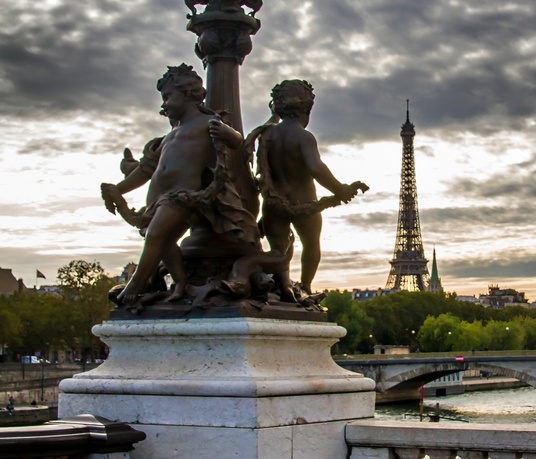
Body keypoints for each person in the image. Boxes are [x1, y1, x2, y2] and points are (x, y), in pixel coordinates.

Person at [100, 64, 257, 304]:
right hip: (158, 198)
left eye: (168, 96)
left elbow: (236, 140)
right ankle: (182, 281)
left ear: (186, 93)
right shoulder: (171, 135)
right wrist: (118, 189)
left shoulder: (207, 123)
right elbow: (146, 171)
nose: (164, 104)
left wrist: (225, 130)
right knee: (163, 241)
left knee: (155, 236)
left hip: (182, 196)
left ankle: (135, 286)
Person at [231, 80, 367, 294]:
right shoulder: (304, 137)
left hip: (273, 204)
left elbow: (270, 126)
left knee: (277, 251)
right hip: (305, 203)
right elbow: (316, 167)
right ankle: (305, 286)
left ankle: (274, 281)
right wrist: (339, 190)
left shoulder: (268, 135)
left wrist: (274, 114)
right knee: (311, 245)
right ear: (306, 109)